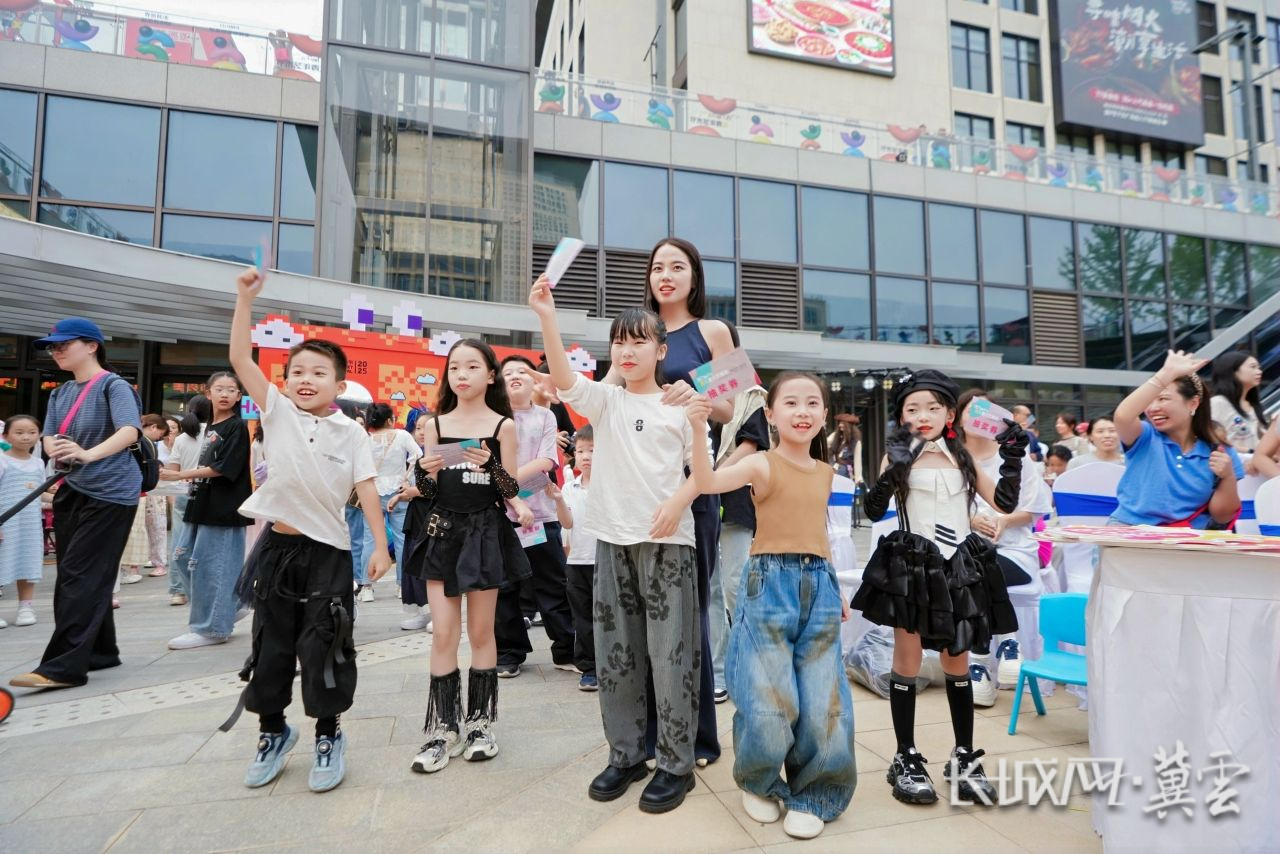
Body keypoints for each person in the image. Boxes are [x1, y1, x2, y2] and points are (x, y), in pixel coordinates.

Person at [531, 276, 702, 814]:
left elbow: (705, 473)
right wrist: (547, 317)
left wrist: (677, 503)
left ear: (661, 350)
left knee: (671, 656)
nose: (627, 351)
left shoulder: (682, 405)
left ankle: (676, 764)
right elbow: (564, 380)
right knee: (616, 656)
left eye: (639, 342)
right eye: (619, 343)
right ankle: (626, 754)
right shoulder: (605, 400)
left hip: (668, 544)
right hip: (610, 541)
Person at [229, 266, 390, 793]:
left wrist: (381, 545)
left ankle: (327, 734)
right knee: (270, 644)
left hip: (329, 552)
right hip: (277, 549)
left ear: (339, 386)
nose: (305, 379)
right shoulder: (277, 412)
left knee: (325, 645)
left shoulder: (352, 433)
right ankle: (272, 732)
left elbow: (367, 488)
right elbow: (240, 359)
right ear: (284, 381)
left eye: (318, 372)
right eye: (297, 370)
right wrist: (244, 301)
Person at [687, 372, 856, 840]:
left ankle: (817, 791)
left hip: (819, 583)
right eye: (791, 403)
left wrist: (835, 587)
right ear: (770, 414)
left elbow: (818, 532)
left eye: (812, 403)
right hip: (768, 583)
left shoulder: (826, 473)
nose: (802, 411)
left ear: (824, 415)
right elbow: (707, 482)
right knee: (766, 695)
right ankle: (759, 782)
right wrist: (698, 428)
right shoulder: (761, 464)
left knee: (823, 696)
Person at [850, 369, 1027, 806]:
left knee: (957, 660)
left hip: (958, 568)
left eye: (933, 407)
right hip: (913, 565)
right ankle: (905, 756)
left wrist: (1013, 456)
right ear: (902, 417)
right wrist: (894, 469)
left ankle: (964, 756)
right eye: (913, 409)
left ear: (950, 413)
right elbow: (872, 510)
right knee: (907, 659)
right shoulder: (897, 455)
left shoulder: (962, 456)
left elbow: (1003, 502)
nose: (923, 415)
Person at [402, 338, 533, 774]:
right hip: (442, 531)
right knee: (443, 633)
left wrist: (491, 466)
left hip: (484, 533)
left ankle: (479, 724)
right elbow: (429, 490)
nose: (461, 374)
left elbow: (510, 488)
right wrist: (423, 472)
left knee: (480, 632)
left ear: (490, 375)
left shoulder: (503, 426)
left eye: (472, 366)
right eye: (455, 367)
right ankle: (443, 728)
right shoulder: (437, 424)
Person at [634, 236, 735, 767]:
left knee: (689, 614)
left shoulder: (713, 331)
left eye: (677, 267)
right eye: (658, 267)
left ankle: (697, 737)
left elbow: (734, 409)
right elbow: (610, 396)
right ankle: (652, 734)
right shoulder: (640, 334)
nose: (666, 275)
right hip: (640, 491)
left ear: (694, 276)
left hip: (693, 491)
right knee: (645, 616)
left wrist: (696, 397)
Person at [10, 318, 143, 690]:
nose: (56, 351)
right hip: (73, 488)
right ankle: (101, 651)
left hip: (111, 492)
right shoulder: (60, 393)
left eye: (64, 344)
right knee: (78, 572)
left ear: (92, 346)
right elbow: (49, 435)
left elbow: (130, 430)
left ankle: (63, 667)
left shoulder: (114, 386)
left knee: (79, 575)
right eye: (52, 346)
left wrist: (88, 454)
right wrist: (53, 446)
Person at [491, 355, 576, 678]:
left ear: (534, 380)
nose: (515, 376)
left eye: (522, 372)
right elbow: (488, 465)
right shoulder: (493, 417)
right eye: (508, 372)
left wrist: (508, 482)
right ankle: (509, 653)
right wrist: (508, 491)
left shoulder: (545, 416)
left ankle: (566, 650)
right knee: (504, 589)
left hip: (541, 516)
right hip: (501, 517)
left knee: (553, 586)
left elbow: (547, 461)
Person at [164, 371, 253, 650]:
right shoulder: (212, 426)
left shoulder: (237, 427)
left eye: (231, 390)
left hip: (223, 508)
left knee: (213, 566)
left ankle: (212, 628)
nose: (225, 394)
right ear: (208, 392)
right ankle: (229, 608)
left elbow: (223, 468)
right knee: (183, 558)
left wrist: (180, 474)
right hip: (200, 502)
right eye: (219, 389)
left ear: (238, 396)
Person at [1111, 350, 1243, 529]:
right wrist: (1166, 374)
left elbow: (1222, 516)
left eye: (1163, 399)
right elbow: (1122, 416)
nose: (1153, 408)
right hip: (1131, 534)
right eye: (1149, 401)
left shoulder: (1221, 451)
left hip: (1188, 540)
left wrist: (1227, 477)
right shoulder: (1144, 436)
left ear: (1193, 403)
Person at [708, 373, 769, 703]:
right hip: (698, 496)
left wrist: (714, 477)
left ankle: (751, 664)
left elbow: (751, 444)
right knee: (710, 588)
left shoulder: (752, 396)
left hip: (733, 495)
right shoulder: (695, 389)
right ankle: (719, 671)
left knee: (735, 582)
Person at [361, 402, 422, 601]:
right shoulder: (402, 435)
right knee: (402, 540)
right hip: (398, 492)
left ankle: (366, 587)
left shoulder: (366, 439)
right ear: (389, 420)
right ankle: (402, 585)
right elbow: (418, 455)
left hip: (372, 493)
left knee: (369, 539)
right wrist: (407, 477)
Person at [0, 415, 47, 628]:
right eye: (19, 433)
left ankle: (25, 607)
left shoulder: (38, 463)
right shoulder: (2, 460)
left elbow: (39, 492)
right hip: (5, 523)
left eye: (32, 432)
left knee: (27, 562)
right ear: (5, 436)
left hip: (29, 524)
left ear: (39, 435)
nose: (26, 437)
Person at [561, 425, 598, 691]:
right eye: (581, 451)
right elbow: (567, 523)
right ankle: (589, 668)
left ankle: (611, 665)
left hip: (603, 560)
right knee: (582, 618)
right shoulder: (569, 487)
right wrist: (556, 499)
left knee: (607, 616)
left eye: (592, 450)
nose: (585, 456)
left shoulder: (610, 485)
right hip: (577, 562)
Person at [166, 395, 210, 607]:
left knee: (179, 542)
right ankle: (202, 588)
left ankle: (178, 590)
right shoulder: (214, 434)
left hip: (184, 492)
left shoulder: (182, 439)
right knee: (207, 542)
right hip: (209, 493)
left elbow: (173, 471)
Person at [392, 411, 431, 631]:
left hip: (433, 515)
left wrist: (409, 492)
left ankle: (437, 613)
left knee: (430, 564)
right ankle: (421, 611)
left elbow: (438, 487)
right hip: (416, 515)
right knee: (412, 561)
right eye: (418, 428)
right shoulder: (416, 456)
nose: (422, 432)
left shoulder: (443, 455)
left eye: (427, 427)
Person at [1209, 352, 1268, 455]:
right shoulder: (1218, 403)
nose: (1259, 372)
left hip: (1257, 463)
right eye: (1253, 367)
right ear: (1233, 372)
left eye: (1259, 368)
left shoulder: (1254, 406)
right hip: (1232, 462)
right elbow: (1212, 439)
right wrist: (1250, 452)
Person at [140, 414, 170, 577]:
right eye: (160, 433)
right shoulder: (145, 442)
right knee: (155, 527)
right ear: (153, 427)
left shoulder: (140, 440)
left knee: (151, 527)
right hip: (149, 490)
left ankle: (156, 561)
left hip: (144, 491)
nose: (159, 437)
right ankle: (156, 561)